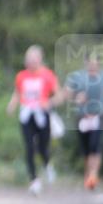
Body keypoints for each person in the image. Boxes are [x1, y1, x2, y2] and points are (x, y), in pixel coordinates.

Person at [6, 45, 61, 195]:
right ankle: (34, 180)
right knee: (29, 147)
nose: (30, 63)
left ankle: (48, 165)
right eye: (28, 60)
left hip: (42, 115)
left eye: (33, 60)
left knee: (43, 148)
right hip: (27, 115)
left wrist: (49, 103)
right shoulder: (21, 76)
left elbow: (59, 95)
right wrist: (12, 105)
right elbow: (17, 93)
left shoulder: (47, 75)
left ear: (40, 60)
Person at [61, 54, 103, 190]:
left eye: (95, 63)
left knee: (95, 146)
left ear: (99, 64)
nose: (92, 66)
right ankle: (88, 175)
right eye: (90, 63)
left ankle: (93, 175)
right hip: (82, 117)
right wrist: (76, 98)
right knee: (86, 149)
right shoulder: (77, 77)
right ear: (85, 63)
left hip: (97, 116)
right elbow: (66, 94)